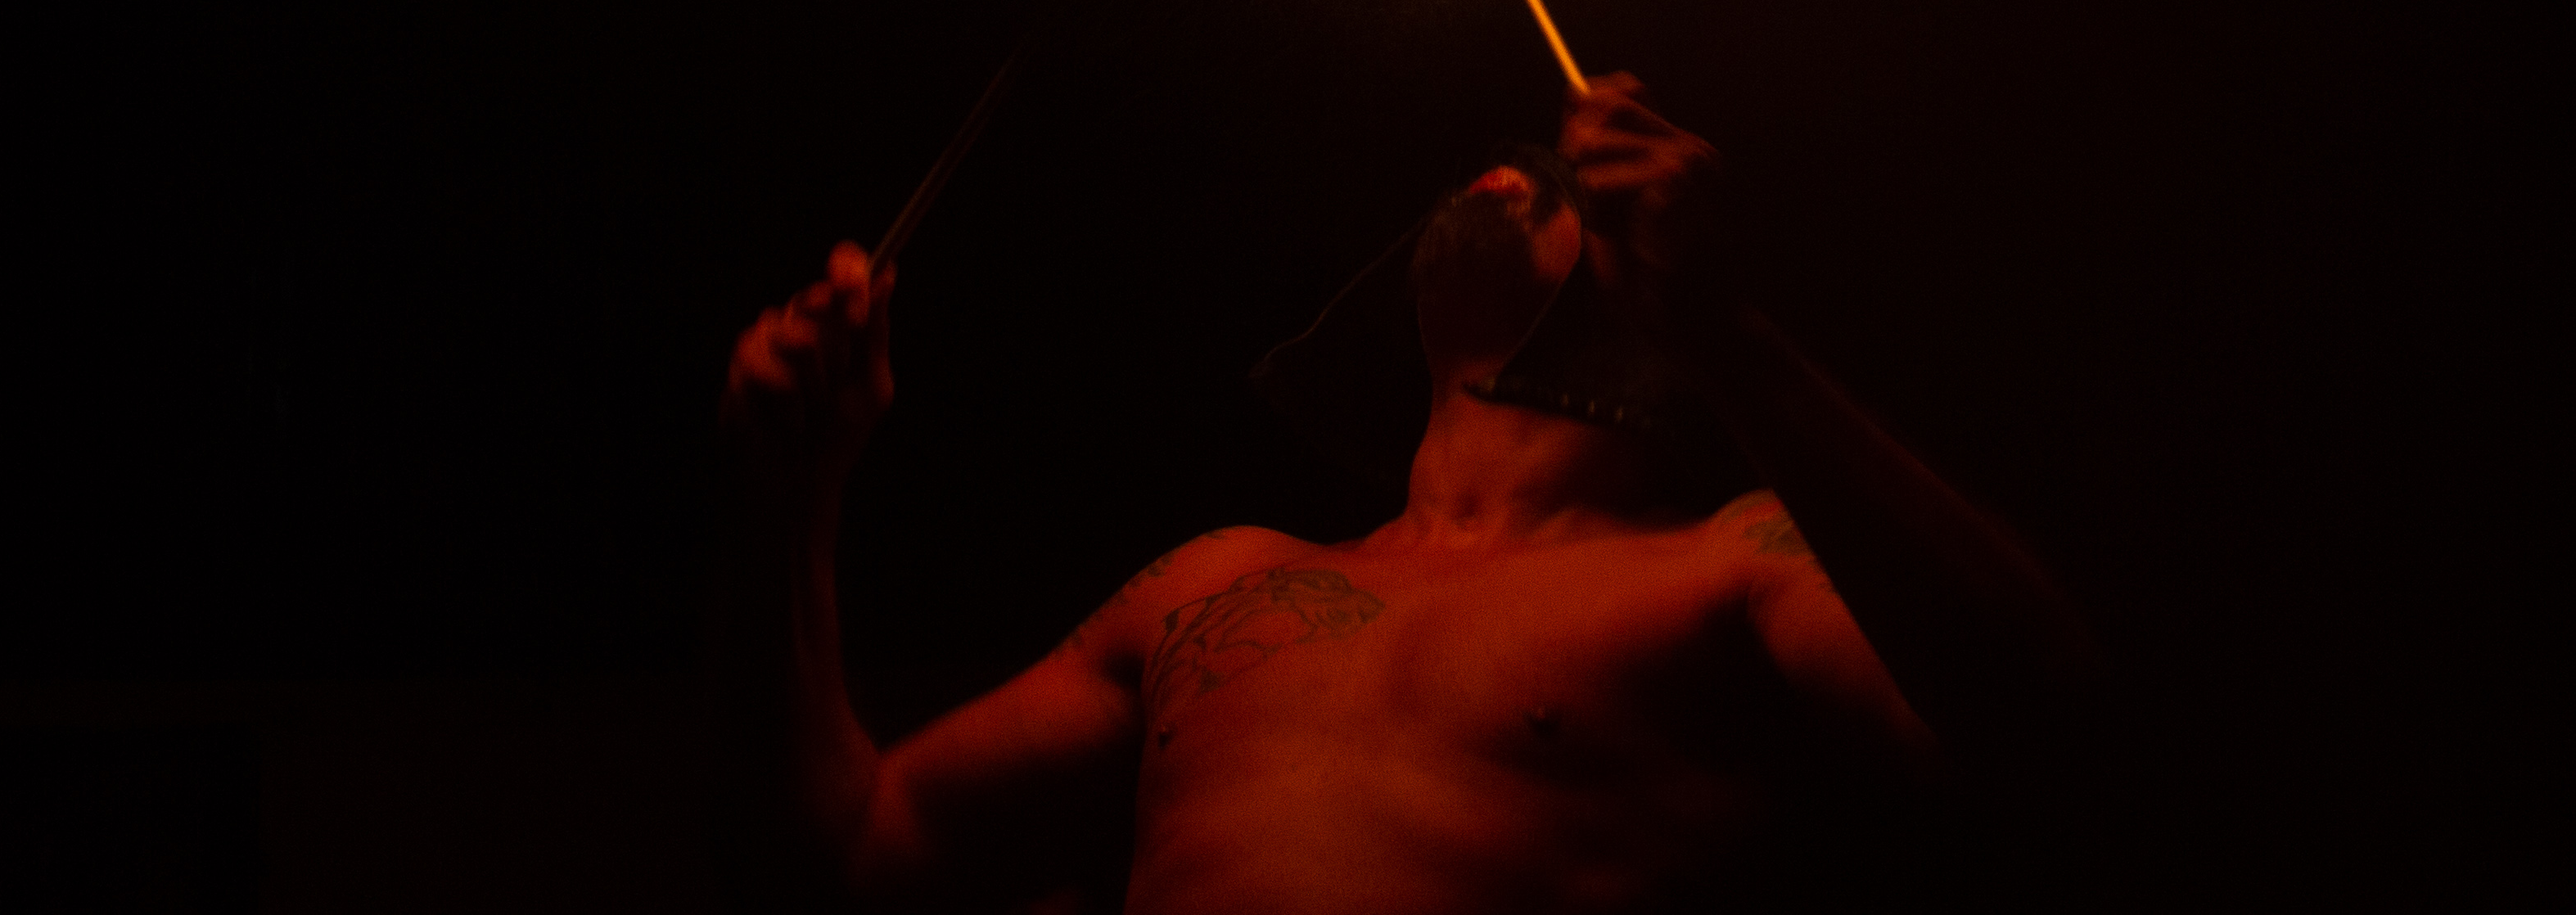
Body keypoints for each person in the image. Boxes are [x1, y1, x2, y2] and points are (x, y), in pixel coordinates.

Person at [719, 73, 2095, 908]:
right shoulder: (1217, 579)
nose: (1531, 157)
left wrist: (1732, 335)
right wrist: (792, 501)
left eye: (1568, 181)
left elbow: (2047, 728)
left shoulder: (1730, 562)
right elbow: (860, 849)